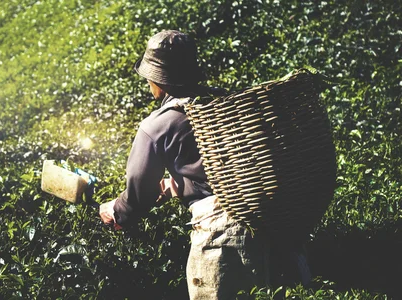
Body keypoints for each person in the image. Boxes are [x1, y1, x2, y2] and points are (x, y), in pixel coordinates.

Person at [98, 30, 310, 299]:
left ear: (158, 79)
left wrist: (116, 211)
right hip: (271, 217)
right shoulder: (222, 100)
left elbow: (139, 193)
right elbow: (215, 166)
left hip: (223, 234)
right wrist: (176, 186)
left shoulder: (157, 125)